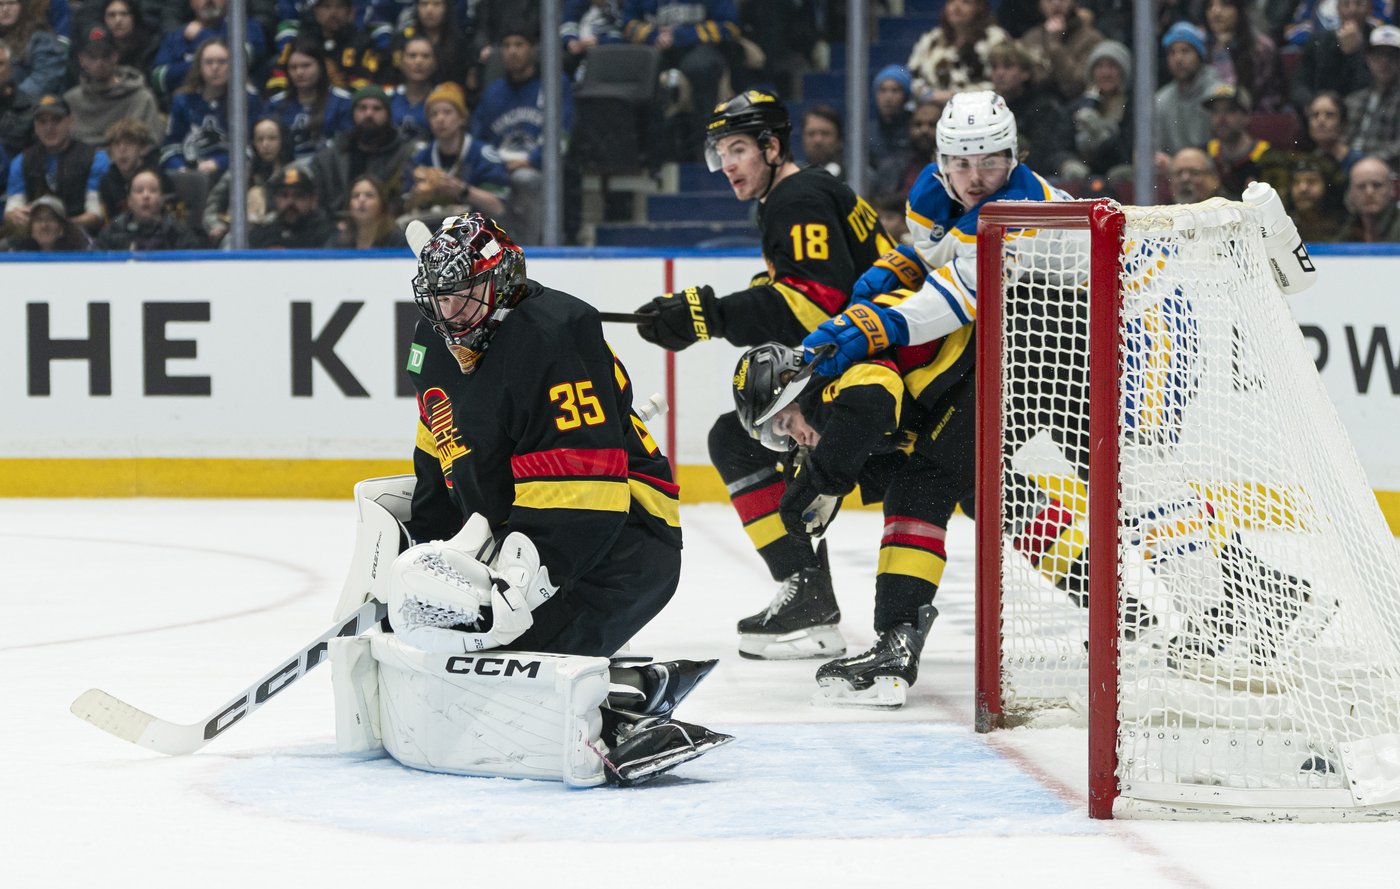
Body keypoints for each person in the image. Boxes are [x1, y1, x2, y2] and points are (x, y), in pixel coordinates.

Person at [380, 211, 729, 785]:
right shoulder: (435, 338)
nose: (448, 316)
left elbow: (585, 493)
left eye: (462, 298)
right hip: (523, 532)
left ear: (501, 284)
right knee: (450, 653)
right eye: (438, 300)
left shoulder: (558, 334)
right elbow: (440, 455)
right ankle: (622, 682)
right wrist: (420, 555)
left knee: (488, 669)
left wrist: (518, 586)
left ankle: (626, 701)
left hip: (624, 541)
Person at [633, 90, 893, 660]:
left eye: (739, 149)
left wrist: (709, 316)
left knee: (740, 440)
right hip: (882, 370)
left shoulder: (796, 197)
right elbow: (823, 290)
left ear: (773, 148)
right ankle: (808, 596)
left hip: (883, 382)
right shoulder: (804, 193)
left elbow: (815, 302)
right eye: (720, 152)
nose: (726, 164)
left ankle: (807, 595)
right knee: (747, 438)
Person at [470, 29, 574, 244]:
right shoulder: (493, 92)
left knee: (524, 180)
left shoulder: (554, 84)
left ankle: (529, 250)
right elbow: (479, 138)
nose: (512, 51)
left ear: (533, 49)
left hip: (538, 169)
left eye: (519, 45)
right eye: (506, 46)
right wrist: (493, 165)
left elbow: (562, 134)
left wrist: (530, 160)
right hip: (498, 169)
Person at [621, 0, 739, 157]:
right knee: (642, 69)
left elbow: (730, 26)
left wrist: (679, 36)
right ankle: (648, 153)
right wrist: (654, 35)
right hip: (656, 47)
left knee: (702, 68)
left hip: (699, 46)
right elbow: (628, 24)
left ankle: (705, 151)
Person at [401, 80, 509, 223]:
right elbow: (403, 207)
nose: (440, 119)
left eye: (447, 112)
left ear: (462, 118)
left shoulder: (484, 155)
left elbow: (498, 207)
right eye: (434, 114)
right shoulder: (419, 158)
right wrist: (418, 197)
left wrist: (462, 190)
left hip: (478, 231)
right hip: (431, 230)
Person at [5, 94, 109, 236]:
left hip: (82, 237)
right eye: (42, 122)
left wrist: (59, 226)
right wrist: (13, 215)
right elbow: (12, 210)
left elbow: (96, 216)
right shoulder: (21, 162)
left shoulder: (95, 159)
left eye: (56, 120)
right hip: (34, 238)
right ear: (35, 127)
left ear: (70, 122)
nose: (49, 128)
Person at [160, 38, 264, 178]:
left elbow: (252, 148)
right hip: (190, 177)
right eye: (209, 62)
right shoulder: (183, 99)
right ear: (199, 66)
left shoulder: (247, 99)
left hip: (235, 177)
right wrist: (180, 168)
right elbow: (170, 147)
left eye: (222, 62)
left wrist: (219, 163)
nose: (215, 68)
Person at [309, 84, 415, 219]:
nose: (369, 114)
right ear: (352, 114)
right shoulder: (328, 158)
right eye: (362, 108)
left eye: (377, 108)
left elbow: (402, 200)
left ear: (388, 115)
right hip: (335, 227)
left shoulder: (404, 156)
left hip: (386, 227)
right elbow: (318, 202)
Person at [986, 40, 1082, 178]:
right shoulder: (987, 106)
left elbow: (1044, 157)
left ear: (1026, 73)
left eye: (1008, 67)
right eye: (994, 67)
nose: (999, 73)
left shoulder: (1045, 107)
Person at [62, 25, 163, 148]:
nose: (99, 62)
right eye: (93, 57)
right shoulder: (70, 100)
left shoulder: (142, 98)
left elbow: (152, 144)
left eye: (105, 55)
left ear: (115, 57)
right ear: (82, 60)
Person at [150, 0, 267, 100]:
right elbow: (158, 79)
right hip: (188, 111)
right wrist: (211, 65)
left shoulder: (246, 27)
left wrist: (201, 36)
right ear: (191, 2)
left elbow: (240, 60)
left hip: (234, 109)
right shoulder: (180, 34)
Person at [204, 116, 290, 244]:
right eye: (259, 139)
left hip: (280, 235)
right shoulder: (239, 172)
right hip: (237, 234)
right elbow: (213, 206)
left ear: (283, 140)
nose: (265, 144)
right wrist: (216, 226)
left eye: (272, 138)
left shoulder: (294, 173)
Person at [265, 0, 383, 94]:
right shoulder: (299, 42)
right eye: (326, 6)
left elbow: (366, 84)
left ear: (350, 12)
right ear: (315, 11)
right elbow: (277, 81)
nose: (333, 12)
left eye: (340, 6)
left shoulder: (362, 42)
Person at [265, 37, 354, 160]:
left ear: (321, 67)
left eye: (306, 66)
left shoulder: (343, 102)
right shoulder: (275, 104)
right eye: (293, 67)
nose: (299, 72)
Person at [906, 0, 1009, 105]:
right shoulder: (931, 39)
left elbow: (1004, 82)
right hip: (935, 108)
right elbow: (914, 75)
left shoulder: (995, 39)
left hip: (981, 107)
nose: (957, 6)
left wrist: (954, 95)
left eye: (966, 2)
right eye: (951, 2)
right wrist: (927, 95)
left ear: (979, 8)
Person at [1154, 22, 1223, 167]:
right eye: (1172, 53)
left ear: (1199, 55)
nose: (1178, 59)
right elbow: (1154, 149)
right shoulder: (1160, 99)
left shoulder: (1218, 93)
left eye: (1185, 51)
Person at [1289, 0, 1375, 111]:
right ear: (1338, 9)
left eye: (1359, 4)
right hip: (1322, 108)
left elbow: (1371, 85)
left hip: (1362, 110)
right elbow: (1300, 86)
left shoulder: (1378, 44)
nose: (1352, 10)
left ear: (1370, 9)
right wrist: (1313, 104)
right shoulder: (1319, 40)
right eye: (1346, 4)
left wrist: (1356, 51)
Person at [1016, 0, 1105, 103]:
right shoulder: (1031, 38)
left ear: (1074, 3)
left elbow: (1077, 86)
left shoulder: (1091, 39)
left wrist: (1055, 46)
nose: (1056, 3)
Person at [94, 166, 202, 250]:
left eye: (153, 190)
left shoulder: (178, 232)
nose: (146, 196)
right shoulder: (113, 231)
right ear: (129, 201)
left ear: (162, 199)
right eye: (139, 191)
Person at [1070, 39, 1134, 180]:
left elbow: (1127, 151)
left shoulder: (1133, 108)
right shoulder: (1078, 107)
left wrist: (1102, 136)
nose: (1105, 73)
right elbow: (1063, 146)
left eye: (1112, 66)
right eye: (1099, 67)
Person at [1203, 0, 1283, 112]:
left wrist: (1224, 54)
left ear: (1240, 10)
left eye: (1225, 5)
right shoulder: (1202, 48)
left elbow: (1252, 99)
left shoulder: (1261, 48)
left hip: (1254, 118)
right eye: (1209, 6)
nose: (1215, 12)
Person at [1203, 83, 1276, 199]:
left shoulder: (1266, 155)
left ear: (1247, 116)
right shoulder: (1206, 152)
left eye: (1230, 111)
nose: (1221, 118)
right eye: (1215, 111)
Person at [1345, 25, 1400, 167]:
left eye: (1391, 56)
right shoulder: (1353, 99)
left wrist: (1364, 161)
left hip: (1387, 170)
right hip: (1347, 167)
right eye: (1378, 55)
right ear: (1368, 59)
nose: (1384, 62)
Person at [248, 164, 336, 248]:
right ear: (275, 199)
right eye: (284, 195)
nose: (290, 202)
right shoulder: (263, 235)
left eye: (299, 195)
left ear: (312, 200)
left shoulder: (326, 234)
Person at [871, 97, 940, 199]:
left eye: (932, 125)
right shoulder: (891, 167)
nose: (924, 130)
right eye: (918, 125)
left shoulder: (954, 168)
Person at [97, 115, 163, 220]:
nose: (122, 150)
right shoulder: (107, 180)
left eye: (129, 143)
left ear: (142, 148)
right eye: (117, 144)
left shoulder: (156, 177)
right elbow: (109, 222)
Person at [0, 0, 65, 101]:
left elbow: (44, 80)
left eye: (11, 3)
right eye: (0, 4)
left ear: (23, 7)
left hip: (25, 108)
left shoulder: (40, 39)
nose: (5, 9)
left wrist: (12, 100)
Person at [327, 173, 406, 248]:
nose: (361, 200)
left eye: (369, 195)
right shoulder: (339, 241)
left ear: (382, 204)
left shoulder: (398, 241)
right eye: (356, 196)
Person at [1336, 154, 1400, 241]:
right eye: (1361, 186)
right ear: (1350, 192)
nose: (1369, 192)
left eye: (1377, 185)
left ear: (1392, 189)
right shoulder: (1344, 228)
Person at [1286, 152, 1347, 242]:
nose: (1302, 188)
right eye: (1296, 182)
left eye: (1312, 181)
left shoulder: (1346, 226)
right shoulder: (1283, 226)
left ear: (1328, 187)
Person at [386, 33, 435, 145]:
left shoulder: (443, 99)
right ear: (401, 61)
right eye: (412, 56)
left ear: (434, 63)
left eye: (426, 56)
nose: (418, 62)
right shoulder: (388, 97)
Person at [4, 191, 88, 250]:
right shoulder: (16, 250)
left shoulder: (79, 252)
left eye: (50, 219)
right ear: (31, 228)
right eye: (38, 220)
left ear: (62, 227)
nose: (44, 225)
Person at [868, 64, 913, 171]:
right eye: (883, 90)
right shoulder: (868, 132)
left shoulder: (913, 129)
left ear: (906, 95)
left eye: (895, 90)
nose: (888, 97)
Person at [1305, 90, 1361, 174]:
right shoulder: (1307, 163)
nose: (1320, 121)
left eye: (1329, 115)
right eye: (1315, 115)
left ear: (1343, 123)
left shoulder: (1359, 163)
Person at [799, 104, 844, 181]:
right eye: (811, 134)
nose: (818, 140)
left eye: (825, 133)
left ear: (838, 138)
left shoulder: (858, 177)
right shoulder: (795, 177)